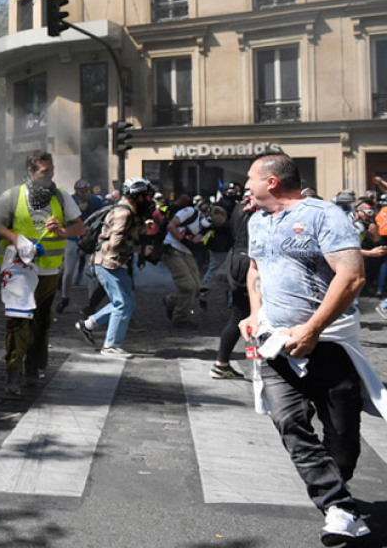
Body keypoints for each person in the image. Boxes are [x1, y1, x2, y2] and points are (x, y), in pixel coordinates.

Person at [240, 152, 387, 545]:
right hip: (276, 342)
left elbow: (352, 276)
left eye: (251, 178)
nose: (246, 186)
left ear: (272, 181)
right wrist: (255, 314)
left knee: (342, 436)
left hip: (329, 341)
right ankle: (337, 505)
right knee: (289, 421)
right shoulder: (256, 220)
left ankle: (337, 490)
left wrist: (312, 328)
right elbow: (257, 270)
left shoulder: (326, 216)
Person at [0, 151, 84, 395]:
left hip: (48, 272)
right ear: (30, 172)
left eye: (51, 170)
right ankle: (13, 373)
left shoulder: (62, 197)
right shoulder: (11, 196)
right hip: (18, 270)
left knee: (41, 323)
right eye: (45, 171)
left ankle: (32, 369)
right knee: (18, 321)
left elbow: (80, 227)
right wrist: (15, 238)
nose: (50, 175)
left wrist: (62, 231)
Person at [73, 178, 154, 357]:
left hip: (115, 263)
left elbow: (123, 234)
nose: (148, 200)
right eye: (146, 196)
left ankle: (88, 325)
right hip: (107, 263)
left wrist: (141, 227)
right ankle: (110, 346)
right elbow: (115, 243)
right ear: (136, 196)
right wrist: (139, 249)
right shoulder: (123, 214)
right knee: (121, 303)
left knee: (128, 303)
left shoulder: (128, 211)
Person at [210, 190, 258, 379]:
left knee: (239, 315)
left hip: (237, 260)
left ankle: (221, 363)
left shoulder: (240, 207)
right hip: (252, 262)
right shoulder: (260, 210)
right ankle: (261, 367)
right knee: (257, 316)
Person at [162, 194, 212, 328]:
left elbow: (199, 242)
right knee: (188, 286)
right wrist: (183, 240)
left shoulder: (208, 228)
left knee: (197, 288)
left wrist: (199, 241)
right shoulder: (190, 212)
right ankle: (180, 318)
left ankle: (171, 301)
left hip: (186, 252)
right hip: (172, 248)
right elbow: (171, 225)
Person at [57, 179, 103, 314]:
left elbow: (101, 218)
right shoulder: (70, 201)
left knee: (90, 272)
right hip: (73, 238)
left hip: (89, 240)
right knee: (68, 271)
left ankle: (91, 303)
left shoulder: (96, 201)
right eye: (80, 191)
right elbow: (63, 219)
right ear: (76, 191)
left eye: (85, 191)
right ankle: (65, 297)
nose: (83, 194)